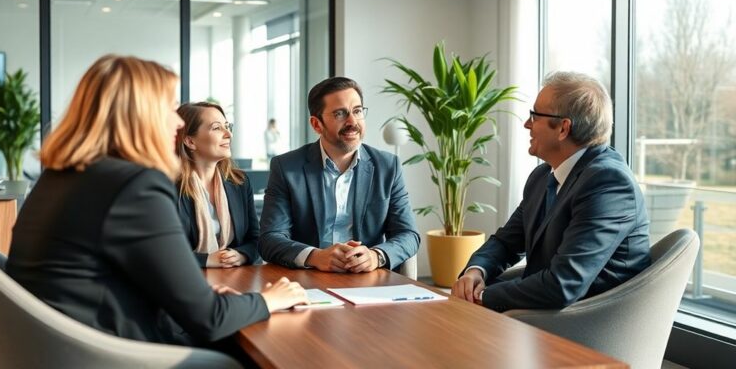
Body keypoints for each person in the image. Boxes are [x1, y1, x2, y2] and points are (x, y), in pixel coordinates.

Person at [5, 55, 307, 348]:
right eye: (169, 107)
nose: (177, 121)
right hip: (115, 354)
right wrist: (270, 299)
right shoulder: (134, 186)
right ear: (138, 116)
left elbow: (98, 276)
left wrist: (191, 295)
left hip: (59, 349)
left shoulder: (61, 177)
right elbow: (209, 320)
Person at [451, 71, 651, 312]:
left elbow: (562, 285)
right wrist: (476, 272)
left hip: (588, 323)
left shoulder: (608, 183)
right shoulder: (542, 176)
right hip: (547, 313)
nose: (527, 124)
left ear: (563, 128)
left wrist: (481, 296)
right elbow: (506, 242)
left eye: (534, 116)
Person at [258, 76, 420, 273]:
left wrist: (375, 256)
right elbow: (270, 238)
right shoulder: (286, 167)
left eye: (357, 111)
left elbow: (408, 234)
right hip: (308, 277)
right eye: (340, 114)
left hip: (367, 279)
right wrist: (315, 256)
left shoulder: (388, 167)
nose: (352, 121)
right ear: (317, 125)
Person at [176, 102, 260, 268]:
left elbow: (255, 238)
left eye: (227, 126)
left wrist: (242, 255)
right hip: (185, 280)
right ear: (190, 141)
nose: (228, 133)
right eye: (216, 128)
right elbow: (163, 251)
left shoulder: (239, 182)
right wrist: (206, 260)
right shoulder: (169, 186)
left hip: (234, 278)